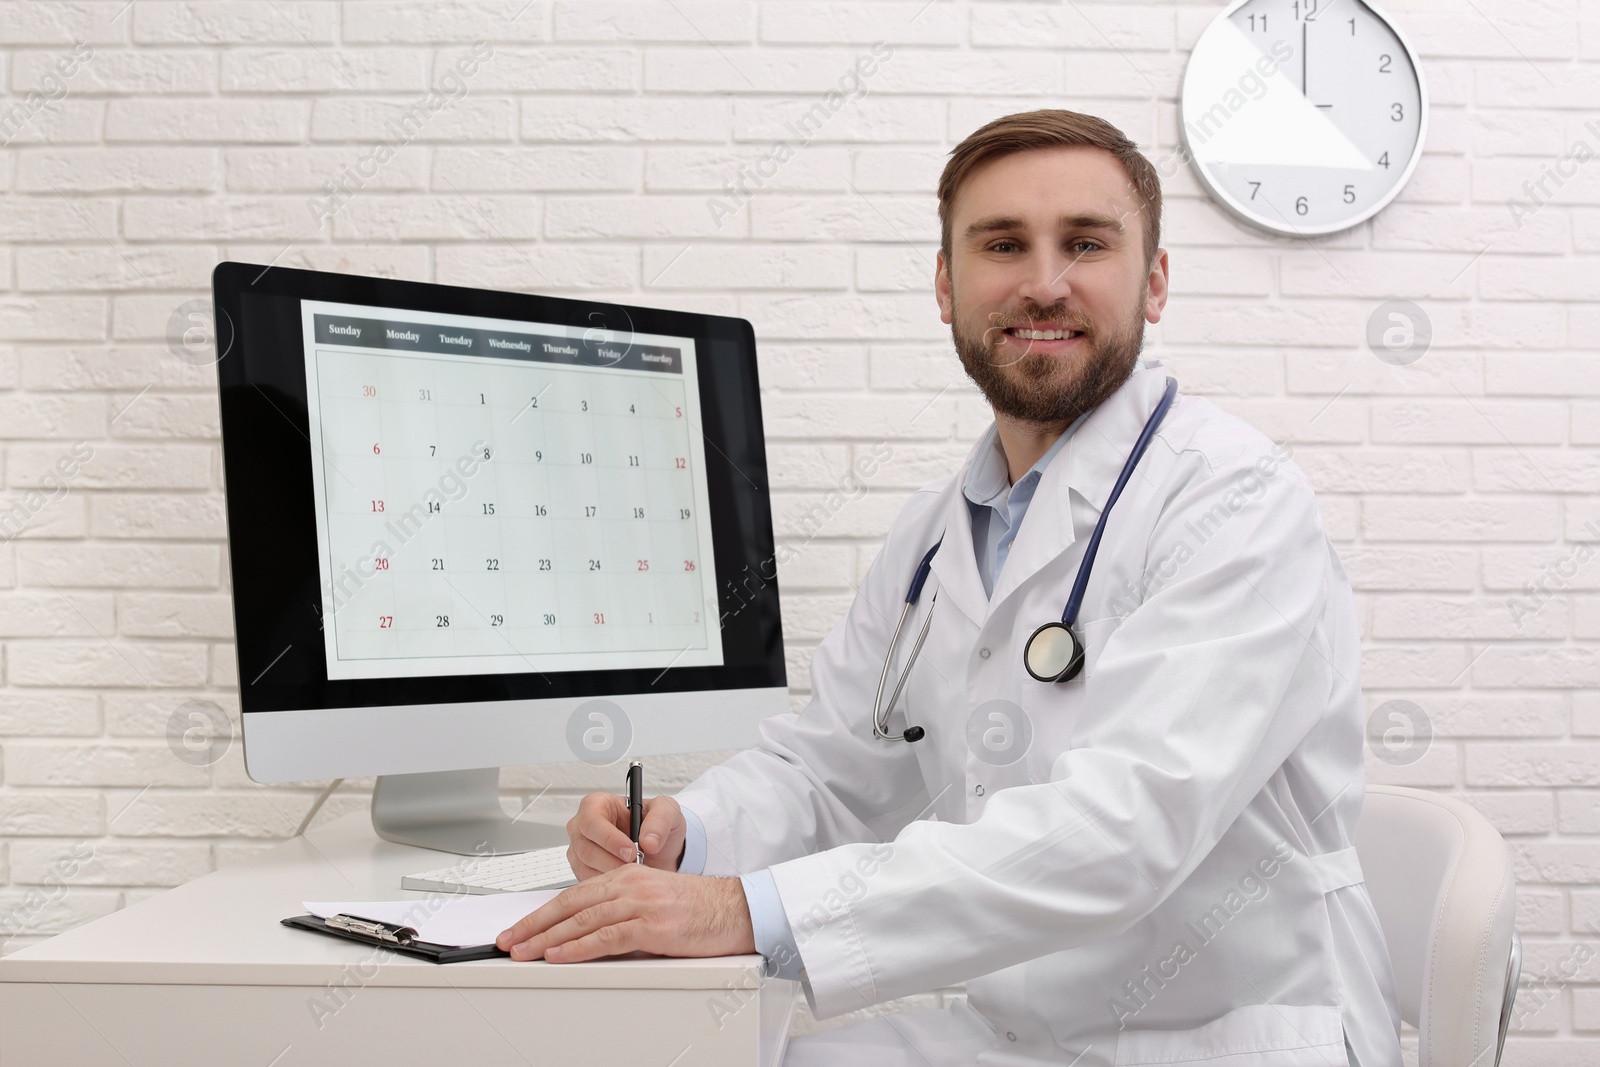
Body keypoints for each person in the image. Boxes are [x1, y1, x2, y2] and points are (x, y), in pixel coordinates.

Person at [497, 109, 1404, 1067]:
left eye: (1086, 243)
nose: (1044, 282)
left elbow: (1122, 830)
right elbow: (832, 768)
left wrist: (743, 910)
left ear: (1156, 280)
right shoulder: (939, 533)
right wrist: (691, 833)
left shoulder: (1235, 500)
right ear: (946, 284)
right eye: (1002, 244)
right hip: (1017, 1027)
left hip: (1228, 1035)